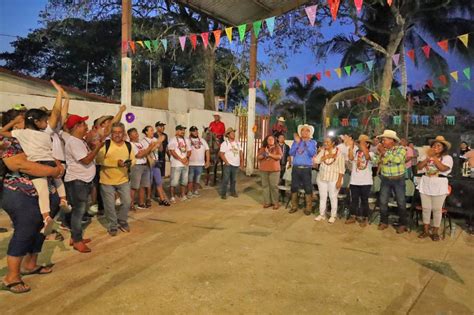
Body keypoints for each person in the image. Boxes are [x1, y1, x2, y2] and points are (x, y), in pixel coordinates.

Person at [1, 109, 64, 294]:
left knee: (41, 228)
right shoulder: (10, 141)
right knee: (26, 229)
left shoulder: (35, 137)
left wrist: (55, 166)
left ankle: (30, 264)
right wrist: (52, 171)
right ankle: (11, 276)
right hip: (20, 193)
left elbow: (49, 157)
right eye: (20, 120)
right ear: (12, 123)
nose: (26, 123)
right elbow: (18, 164)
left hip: (44, 191)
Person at [64, 114, 104, 253]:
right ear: (76, 127)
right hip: (77, 181)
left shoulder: (79, 141)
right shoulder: (73, 142)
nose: (87, 127)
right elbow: (86, 160)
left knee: (79, 211)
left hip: (82, 181)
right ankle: (77, 240)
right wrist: (97, 148)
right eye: (83, 124)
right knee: (78, 212)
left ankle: (75, 237)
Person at [96, 122, 135, 236]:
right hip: (106, 181)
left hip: (123, 180)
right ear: (111, 133)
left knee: (127, 202)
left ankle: (122, 221)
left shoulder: (128, 145)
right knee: (109, 205)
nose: (117, 135)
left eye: (120, 132)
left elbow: (133, 159)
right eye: (115, 132)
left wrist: (129, 164)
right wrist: (116, 163)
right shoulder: (106, 144)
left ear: (123, 133)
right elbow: (99, 160)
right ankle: (113, 225)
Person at [417, 136, 453, 241]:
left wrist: (435, 158)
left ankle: (435, 232)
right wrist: (428, 158)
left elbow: (442, 168)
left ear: (443, 148)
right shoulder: (426, 155)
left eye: (438, 146)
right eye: (434, 145)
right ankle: (426, 230)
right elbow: (419, 167)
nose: (435, 147)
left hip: (439, 185)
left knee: (437, 210)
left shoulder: (447, 158)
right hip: (426, 183)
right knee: (426, 209)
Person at [374, 130, 408, 234]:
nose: (382, 142)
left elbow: (397, 160)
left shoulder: (401, 149)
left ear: (392, 141)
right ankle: (384, 222)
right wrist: (379, 155)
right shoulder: (382, 150)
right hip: (385, 179)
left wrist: (384, 153)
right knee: (383, 202)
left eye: (384, 139)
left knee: (401, 202)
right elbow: (376, 162)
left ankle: (403, 224)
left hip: (398, 180)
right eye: (382, 140)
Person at [314, 136, 345, 223]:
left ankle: (333, 216)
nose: (325, 143)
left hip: (334, 179)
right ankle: (321, 214)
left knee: (333, 197)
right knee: (323, 197)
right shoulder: (323, 151)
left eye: (328, 142)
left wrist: (339, 181)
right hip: (322, 178)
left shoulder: (339, 153)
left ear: (333, 143)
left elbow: (342, 169)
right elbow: (316, 161)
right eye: (325, 142)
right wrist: (326, 156)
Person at [127, 128, 160, 210]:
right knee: (134, 186)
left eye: (137, 133)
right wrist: (150, 147)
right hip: (137, 166)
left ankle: (141, 203)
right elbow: (139, 155)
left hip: (145, 165)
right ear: (130, 136)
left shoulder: (139, 144)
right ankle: (130, 203)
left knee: (143, 186)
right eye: (134, 134)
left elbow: (145, 152)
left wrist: (150, 148)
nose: (137, 135)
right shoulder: (130, 144)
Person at [288, 124, 317, 215]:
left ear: (310, 133)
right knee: (294, 187)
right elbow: (291, 152)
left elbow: (312, 153)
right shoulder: (296, 141)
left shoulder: (312, 142)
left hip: (306, 169)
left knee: (308, 188)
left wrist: (305, 142)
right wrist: (297, 143)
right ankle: (294, 206)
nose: (304, 132)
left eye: (307, 130)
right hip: (296, 168)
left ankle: (308, 208)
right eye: (303, 130)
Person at [346, 135, 374, 227]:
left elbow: (367, 156)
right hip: (354, 181)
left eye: (362, 142)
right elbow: (350, 158)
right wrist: (350, 147)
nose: (359, 144)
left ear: (367, 144)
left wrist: (363, 147)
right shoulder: (356, 153)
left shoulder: (372, 153)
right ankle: (353, 216)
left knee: (364, 201)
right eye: (359, 142)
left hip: (366, 182)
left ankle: (364, 218)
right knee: (354, 200)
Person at [142, 126, 170, 206]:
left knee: (159, 181)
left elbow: (161, 149)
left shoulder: (154, 139)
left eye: (152, 130)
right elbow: (147, 151)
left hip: (156, 162)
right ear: (146, 132)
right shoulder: (143, 141)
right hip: (149, 163)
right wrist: (158, 142)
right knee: (148, 182)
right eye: (151, 130)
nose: (152, 132)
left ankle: (162, 199)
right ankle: (148, 199)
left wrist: (160, 143)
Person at [257, 135, 282, 209]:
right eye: (269, 139)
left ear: (274, 140)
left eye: (272, 139)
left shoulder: (277, 148)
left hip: (274, 170)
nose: (270, 140)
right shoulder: (263, 148)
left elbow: (279, 157)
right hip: (264, 170)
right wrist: (264, 154)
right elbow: (258, 157)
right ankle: (267, 202)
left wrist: (269, 154)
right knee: (265, 186)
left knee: (274, 186)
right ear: (266, 140)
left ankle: (275, 203)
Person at [168, 125, 191, 203]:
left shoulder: (187, 140)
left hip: (185, 164)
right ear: (177, 131)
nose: (183, 131)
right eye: (181, 130)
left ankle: (183, 195)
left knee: (184, 181)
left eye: (184, 130)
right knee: (174, 182)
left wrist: (186, 158)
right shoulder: (173, 140)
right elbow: (172, 151)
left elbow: (189, 150)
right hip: (176, 164)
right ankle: (172, 196)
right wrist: (181, 159)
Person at [219, 128, 244, 199]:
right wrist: (226, 162)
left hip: (236, 164)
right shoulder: (225, 143)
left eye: (234, 133)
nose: (233, 134)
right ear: (228, 135)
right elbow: (221, 154)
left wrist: (242, 162)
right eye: (232, 133)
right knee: (226, 179)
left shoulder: (237, 143)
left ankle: (233, 192)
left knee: (234, 180)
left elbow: (240, 152)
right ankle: (223, 193)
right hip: (228, 164)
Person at [187, 126, 210, 198]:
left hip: (200, 163)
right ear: (190, 132)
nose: (196, 132)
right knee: (190, 178)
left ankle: (195, 190)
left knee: (197, 178)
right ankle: (189, 191)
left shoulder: (202, 140)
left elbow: (207, 150)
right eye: (194, 131)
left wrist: (208, 161)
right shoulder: (187, 140)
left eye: (196, 130)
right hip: (190, 163)